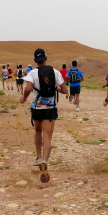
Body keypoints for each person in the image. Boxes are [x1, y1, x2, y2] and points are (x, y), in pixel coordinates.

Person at [20, 48, 69, 183]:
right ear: (46, 58)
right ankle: (45, 161)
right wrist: (56, 88)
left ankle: (38, 156)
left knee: (37, 131)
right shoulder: (55, 72)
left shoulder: (32, 72)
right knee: (47, 136)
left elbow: (28, 88)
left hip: (37, 107)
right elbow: (64, 89)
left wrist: (23, 98)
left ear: (35, 60)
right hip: (50, 107)